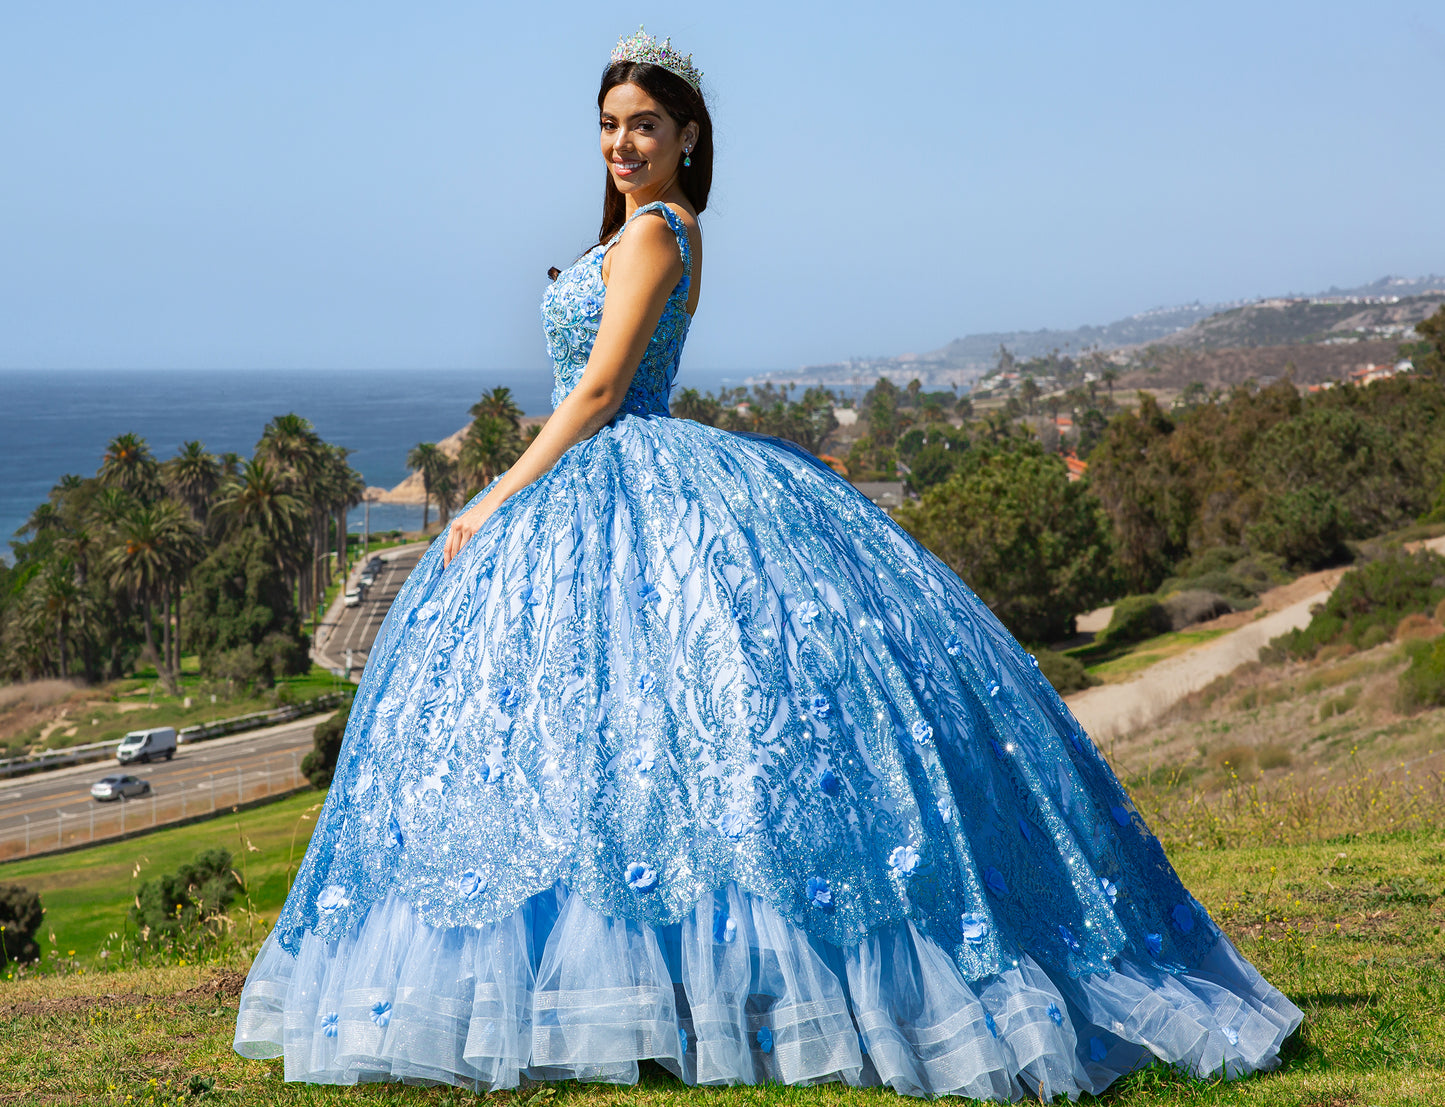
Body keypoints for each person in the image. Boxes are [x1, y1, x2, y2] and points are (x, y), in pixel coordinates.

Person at [233, 28, 1302, 1099]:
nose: (621, 142)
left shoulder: (657, 232)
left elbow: (599, 394)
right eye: (607, 127)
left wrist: (496, 495)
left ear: (687, 134)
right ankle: (634, 990)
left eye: (642, 124)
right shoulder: (641, 229)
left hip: (617, 467)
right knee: (617, 744)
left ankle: (678, 993)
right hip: (605, 485)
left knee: (638, 740)